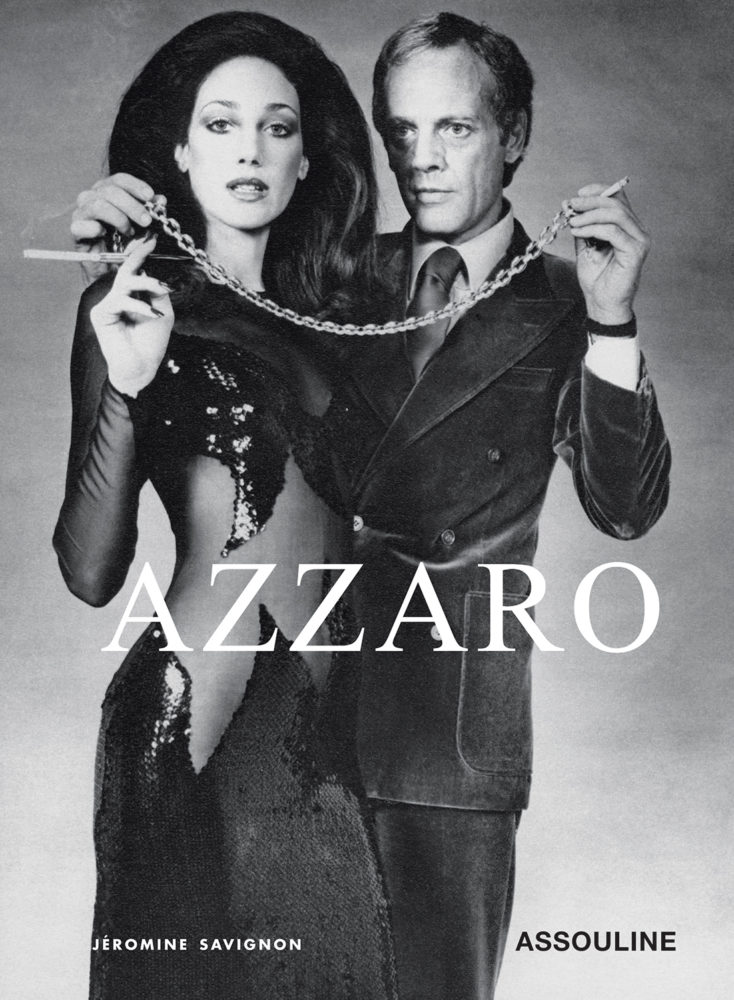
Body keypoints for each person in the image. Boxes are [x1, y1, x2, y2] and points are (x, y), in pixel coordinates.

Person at [70, 11, 672, 1000]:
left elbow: (626, 507)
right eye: (401, 131)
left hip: (444, 750)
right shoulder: (327, 283)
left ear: (514, 134)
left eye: (454, 129)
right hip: (294, 720)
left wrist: (611, 324)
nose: (421, 160)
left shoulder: (570, 300)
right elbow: (215, 334)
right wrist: (125, 238)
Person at [54, 12, 397, 1000]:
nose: (249, 148)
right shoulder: (130, 305)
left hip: (332, 724)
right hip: (200, 713)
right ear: (178, 151)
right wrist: (126, 384)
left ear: (306, 161)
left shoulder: (348, 316)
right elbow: (90, 571)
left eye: (276, 127)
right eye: (220, 124)